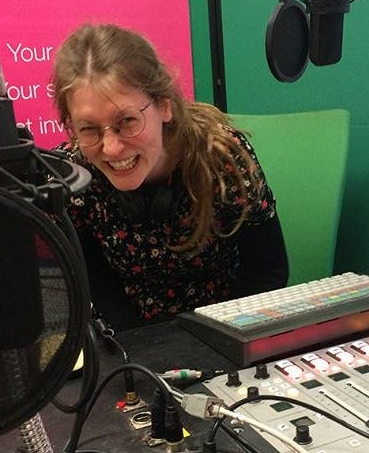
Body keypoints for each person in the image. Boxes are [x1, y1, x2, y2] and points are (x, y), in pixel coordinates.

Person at [52, 23, 288, 330]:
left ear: (164, 106)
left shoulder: (221, 157)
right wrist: (146, 351)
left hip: (227, 326)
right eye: (88, 129)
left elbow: (268, 271)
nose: (110, 148)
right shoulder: (72, 177)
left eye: (127, 121)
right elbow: (95, 285)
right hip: (130, 337)